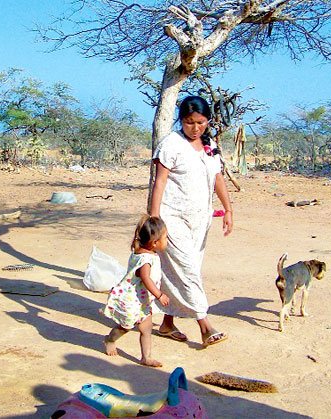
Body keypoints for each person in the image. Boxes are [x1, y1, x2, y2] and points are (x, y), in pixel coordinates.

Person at [150, 95, 234, 348]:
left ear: (207, 120)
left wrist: (228, 209)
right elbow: (160, 181)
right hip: (171, 217)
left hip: (200, 219)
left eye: (200, 122)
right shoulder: (171, 144)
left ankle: (166, 323)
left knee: (186, 271)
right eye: (189, 123)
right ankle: (205, 325)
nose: (195, 128)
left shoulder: (210, 147)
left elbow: (218, 178)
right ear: (181, 121)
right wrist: (154, 219)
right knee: (186, 270)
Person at [102, 215, 170, 368]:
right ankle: (110, 339)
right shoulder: (145, 259)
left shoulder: (146, 253)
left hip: (143, 300)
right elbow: (146, 278)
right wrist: (159, 295)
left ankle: (146, 357)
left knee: (146, 328)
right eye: (165, 237)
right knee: (125, 326)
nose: (167, 240)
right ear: (155, 243)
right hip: (132, 300)